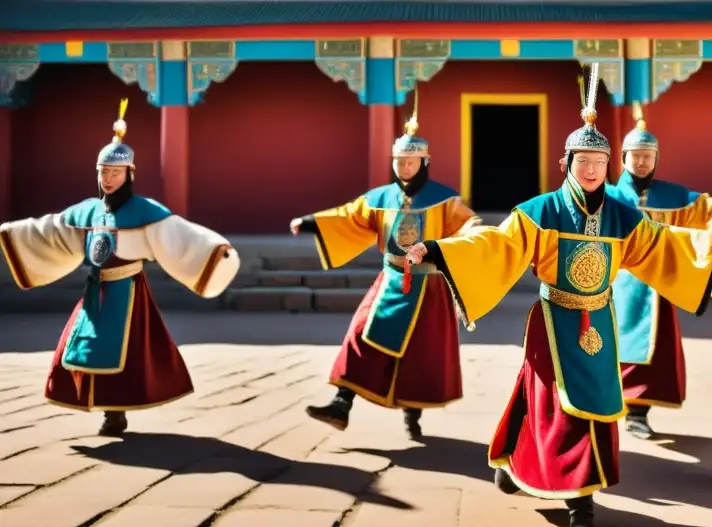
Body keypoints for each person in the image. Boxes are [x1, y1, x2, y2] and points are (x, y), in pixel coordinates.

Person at [404, 66, 712, 527]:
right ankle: (581, 507)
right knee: (556, 407)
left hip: (600, 320)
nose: (592, 169)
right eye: (583, 160)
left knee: (589, 405)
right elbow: (496, 245)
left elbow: (665, 245)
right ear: (566, 163)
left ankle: (516, 458)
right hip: (554, 319)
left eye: (599, 161)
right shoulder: (541, 211)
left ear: (609, 164)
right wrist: (437, 251)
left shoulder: (625, 216)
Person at [0, 99, 240, 436]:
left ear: (129, 174)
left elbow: (178, 234)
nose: (108, 179)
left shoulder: (146, 211)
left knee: (128, 354)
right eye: (103, 173)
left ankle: (115, 413)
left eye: (115, 172)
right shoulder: (88, 210)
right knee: (78, 346)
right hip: (94, 289)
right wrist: (10, 233)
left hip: (128, 291)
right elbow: (51, 229)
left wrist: (213, 251)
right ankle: (86, 400)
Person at [290, 93, 481, 441]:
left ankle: (412, 415)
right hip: (390, 278)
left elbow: (467, 224)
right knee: (361, 333)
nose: (404, 168)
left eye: (411, 162)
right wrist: (312, 221)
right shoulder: (381, 198)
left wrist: (477, 235)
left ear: (425, 162)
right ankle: (341, 402)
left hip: (428, 287)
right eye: (398, 161)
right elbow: (350, 215)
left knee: (420, 354)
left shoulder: (445, 198)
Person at [611, 102, 712, 439]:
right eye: (634, 155)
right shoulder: (605, 195)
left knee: (653, 351)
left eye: (647, 156)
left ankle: (638, 411)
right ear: (622, 158)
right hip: (613, 285)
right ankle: (606, 406)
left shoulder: (673, 197)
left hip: (657, 285)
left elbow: (707, 208)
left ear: (656, 160)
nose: (640, 161)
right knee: (604, 345)